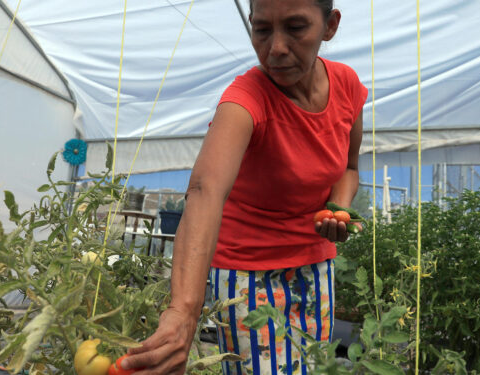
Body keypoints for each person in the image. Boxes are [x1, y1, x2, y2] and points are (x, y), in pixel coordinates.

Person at [123, 0, 367, 373]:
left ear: (329, 26)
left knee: (315, 368)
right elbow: (205, 190)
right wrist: (184, 310)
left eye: (296, 28)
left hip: (316, 265)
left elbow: (349, 167)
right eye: (262, 29)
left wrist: (337, 206)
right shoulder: (245, 99)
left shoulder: (347, 86)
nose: (277, 48)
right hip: (248, 274)